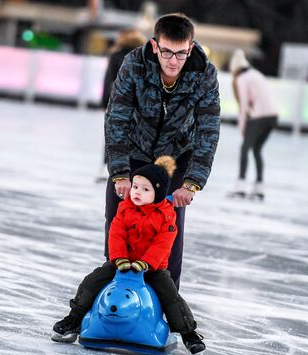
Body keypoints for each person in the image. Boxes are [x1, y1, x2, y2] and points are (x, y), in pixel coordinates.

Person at [104, 13, 220, 289]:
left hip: (177, 156)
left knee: (169, 227)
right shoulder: (134, 64)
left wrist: (192, 182)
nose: (173, 61)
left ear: (190, 48)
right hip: (135, 149)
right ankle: (114, 292)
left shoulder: (204, 72)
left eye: (181, 53)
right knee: (118, 220)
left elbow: (208, 128)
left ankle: (167, 298)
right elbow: (117, 117)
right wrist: (120, 172)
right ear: (155, 45)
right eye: (166, 51)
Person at [52, 156, 206, 355]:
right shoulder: (125, 208)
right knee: (93, 280)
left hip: (152, 268)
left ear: (158, 193)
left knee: (169, 294)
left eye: (145, 189)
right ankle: (74, 319)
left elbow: (163, 243)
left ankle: (188, 333)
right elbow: (116, 234)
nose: (137, 192)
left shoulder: (167, 215)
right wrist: (119, 259)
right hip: (122, 264)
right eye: (135, 186)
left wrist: (146, 263)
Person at [96, 29, 147, 183]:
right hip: (138, 102)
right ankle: (132, 166)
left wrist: (105, 102)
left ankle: (107, 166)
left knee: (114, 133)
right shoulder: (143, 56)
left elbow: (108, 79)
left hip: (118, 101)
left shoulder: (116, 55)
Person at [228, 49, 278, 200]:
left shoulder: (242, 79)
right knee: (257, 150)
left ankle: (241, 185)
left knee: (244, 149)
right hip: (273, 117)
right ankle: (259, 187)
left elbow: (243, 105)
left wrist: (242, 126)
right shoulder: (256, 74)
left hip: (259, 116)